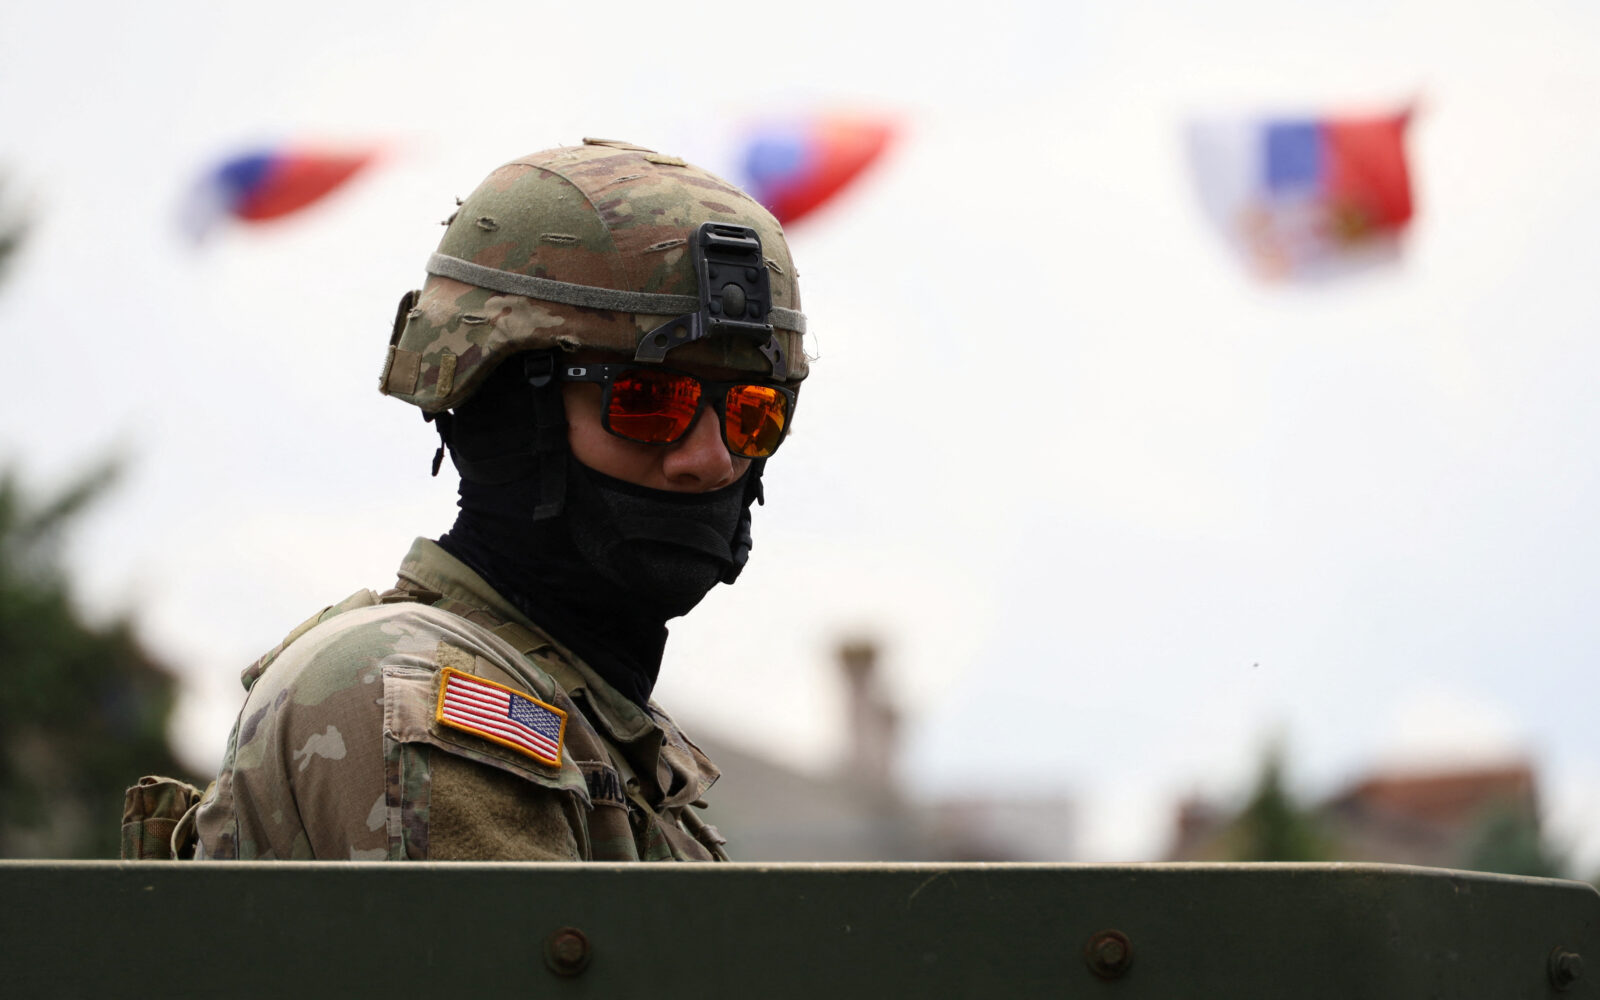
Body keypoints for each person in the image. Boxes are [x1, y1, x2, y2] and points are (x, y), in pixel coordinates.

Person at [181, 139, 809, 861]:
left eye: (754, 413)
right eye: (646, 402)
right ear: (505, 410)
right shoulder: (420, 693)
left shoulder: (595, 722)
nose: (713, 459)